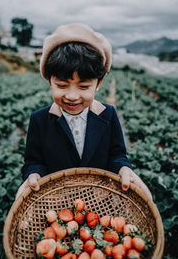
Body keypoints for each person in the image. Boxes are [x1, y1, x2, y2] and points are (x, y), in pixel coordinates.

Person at [16, 23, 152, 201]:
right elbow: (34, 161)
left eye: (84, 86)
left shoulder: (108, 114)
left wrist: (123, 168)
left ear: (99, 84)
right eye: (62, 85)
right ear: (50, 81)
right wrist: (33, 174)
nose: (72, 96)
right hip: (56, 202)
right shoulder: (40, 119)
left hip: (99, 201)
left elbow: (117, 155)